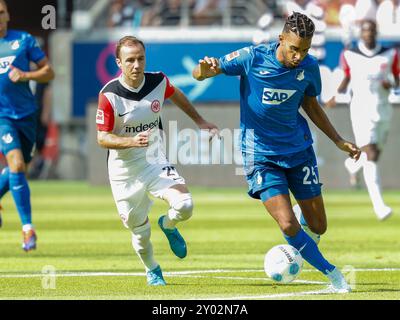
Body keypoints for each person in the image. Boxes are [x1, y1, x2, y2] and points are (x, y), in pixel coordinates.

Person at [192, 12, 361, 293]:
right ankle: (333, 275)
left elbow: (312, 106)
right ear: (281, 38)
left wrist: (338, 140)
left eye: (304, 50)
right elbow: (202, 72)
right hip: (260, 154)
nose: (298, 56)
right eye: (294, 48)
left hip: (298, 151)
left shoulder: (308, 67)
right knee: (286, 222)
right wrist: (204, 70)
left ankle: (300, 226)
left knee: (319, 226)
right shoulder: (252, 57)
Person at [96, 36, 218, 286]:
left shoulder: (158, 81)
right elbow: (102, 137)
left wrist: (200, 121)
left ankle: (169, 224)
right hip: (123, 171)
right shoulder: (109, 95)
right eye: (130, 60)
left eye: (140, 59)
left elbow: (176, 94)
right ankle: (152, 269)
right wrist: (130, 141)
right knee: (140, 233)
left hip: (153, 159)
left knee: (185, 204)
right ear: (119, 62)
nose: (136, 65)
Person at [326, 19, 399, 221]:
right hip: (360, 109)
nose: (368, 34)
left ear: (376, 32)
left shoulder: (390, 53)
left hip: (383, 108)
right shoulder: (350, 54)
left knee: (375, 152)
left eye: (372, 31)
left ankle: (352, 166)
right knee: (371, 153)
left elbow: (396, 78)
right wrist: (335, 94)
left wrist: (390, 84)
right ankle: (379, 206)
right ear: (361, 33)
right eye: (365, 31)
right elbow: (347, 78)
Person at [0, 0, 55, 250]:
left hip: (27, 115)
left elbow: (49, 72)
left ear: (8, 14)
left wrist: (26, 75)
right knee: (17, 164)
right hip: (3, 118)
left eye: (1, 13)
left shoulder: (23, 40)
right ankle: (28, 230)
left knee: (18, 168)